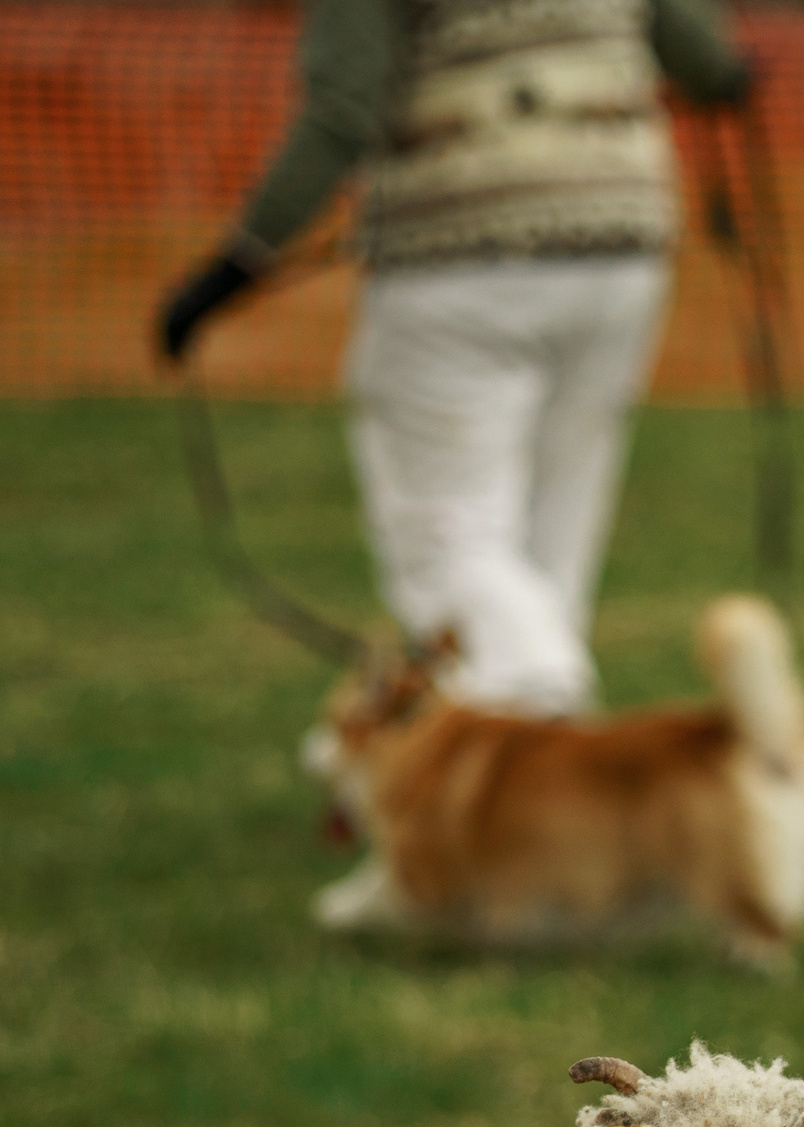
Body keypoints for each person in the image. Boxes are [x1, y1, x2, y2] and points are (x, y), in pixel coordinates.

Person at [158, 0, 753, 715]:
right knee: (552, 535)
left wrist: (237, 265)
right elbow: (701, 55)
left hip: (459, 265)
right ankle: (534, 778)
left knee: (447, 539)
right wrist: (729, 76)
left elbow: (345, 109)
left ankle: (550, 723)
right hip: (621, 249)